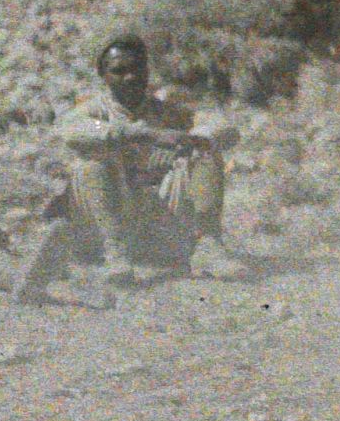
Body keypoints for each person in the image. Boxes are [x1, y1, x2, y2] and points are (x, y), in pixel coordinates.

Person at [19, 34, 243, 301]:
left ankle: (207, 244)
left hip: (157, 225)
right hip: (104, 232)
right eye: (119, 71)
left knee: (205, 153)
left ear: (147, 71)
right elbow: (72, 131)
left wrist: (196, 138)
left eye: (137, 69)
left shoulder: (167, 112)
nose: (129, 77)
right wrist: (143, 134)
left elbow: (224, 127)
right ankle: (115, 254)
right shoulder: (92, 112)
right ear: (103, 75)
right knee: (93, 162)